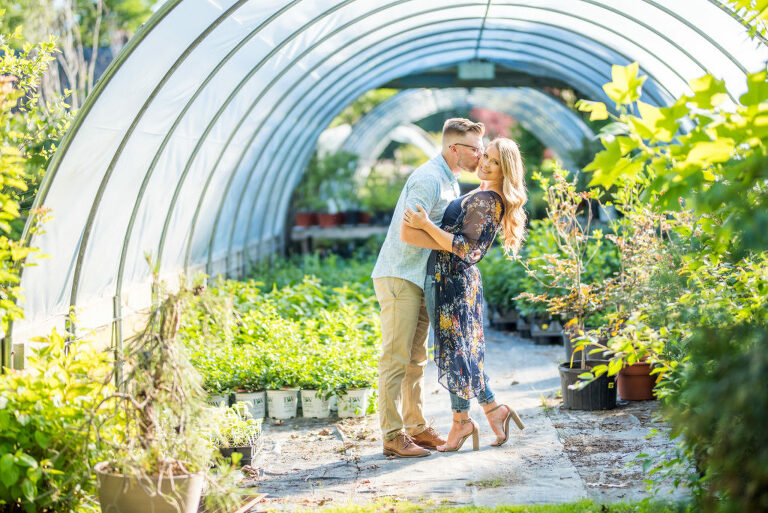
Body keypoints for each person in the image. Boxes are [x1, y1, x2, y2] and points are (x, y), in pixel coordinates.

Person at [402, 137, 528, 452]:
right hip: (452, 279)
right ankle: (492, 409)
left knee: (455, 354)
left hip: (450, 280)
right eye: (485, 155)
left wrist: (424, 224)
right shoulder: (482, 192)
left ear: (507, 169)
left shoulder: (488, 199)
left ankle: (461, 423)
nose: (485, 163)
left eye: (495, 161)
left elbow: (467, 249)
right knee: (463, 352)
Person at [371, 118, 486, 458]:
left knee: (416, 360)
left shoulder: (450, 180)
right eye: (475, 149)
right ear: (455, 149)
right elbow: (408, 233)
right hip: (400, 275)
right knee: (395, 358)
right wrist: (452, 246)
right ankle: (392, 436)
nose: (480, 155)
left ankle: (416, 427)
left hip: (420, 277)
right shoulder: (428, 178)